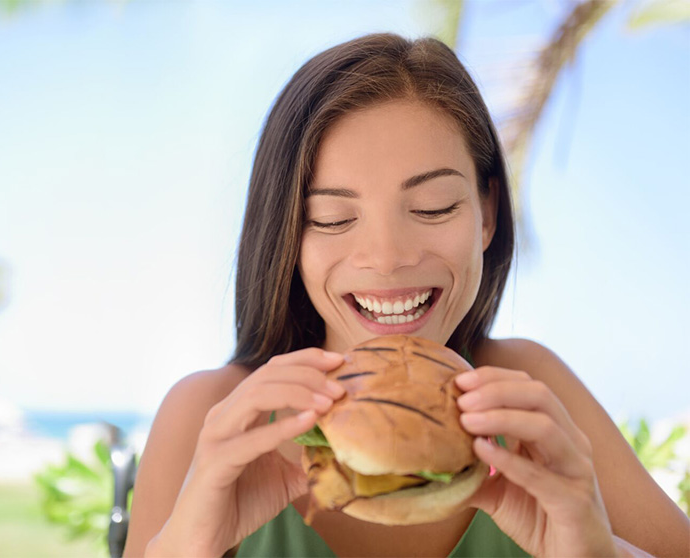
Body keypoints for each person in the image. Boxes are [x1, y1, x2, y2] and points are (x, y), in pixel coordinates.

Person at [124, 33, 689, 557]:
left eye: (434, 208)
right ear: (286, 237)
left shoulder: (529, 398)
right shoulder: (210, 417)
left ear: (487, 214)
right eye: (333, 217)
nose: (389, 257)